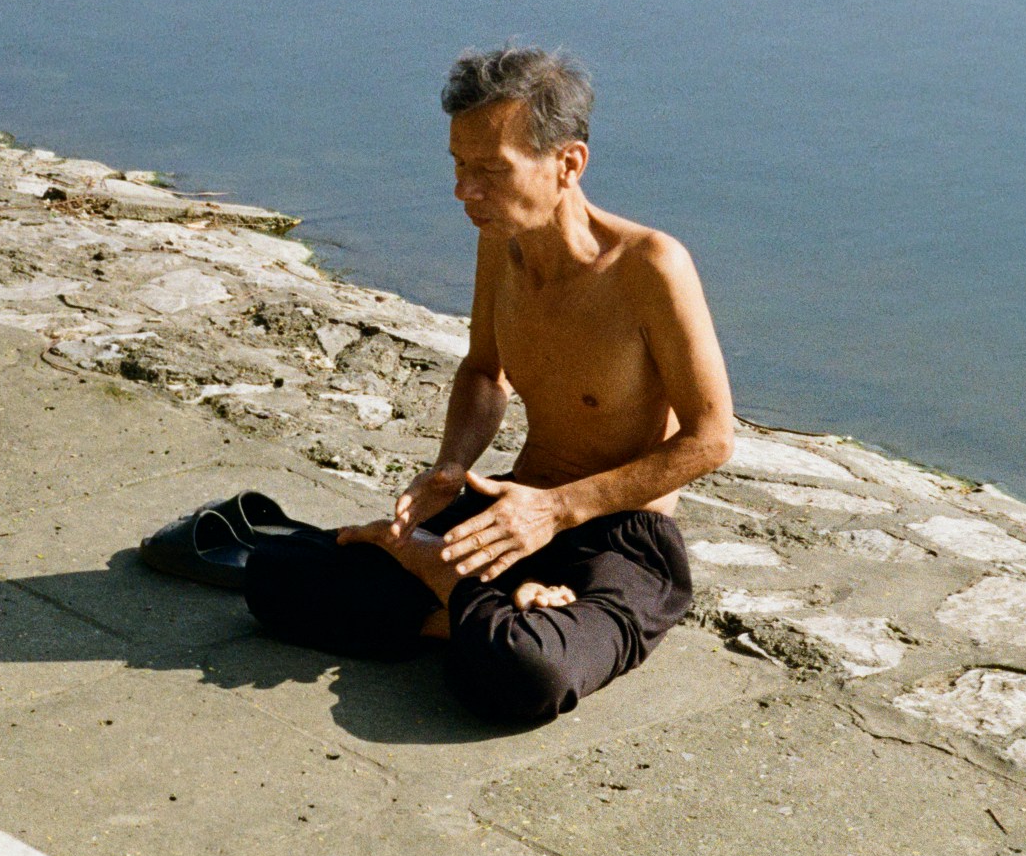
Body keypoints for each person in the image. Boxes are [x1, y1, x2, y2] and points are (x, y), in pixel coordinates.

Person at [244, 46, 734, 724]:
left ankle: (453, 589)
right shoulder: (499, 240)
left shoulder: (650, 267)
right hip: (507, 512)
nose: (463, 192)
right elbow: (484, 370)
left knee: (530, 670)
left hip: (620, 535)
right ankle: (480, 604)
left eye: (490, 171)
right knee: (276, 574)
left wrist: (556, 511)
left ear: (568, 164)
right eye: (458, 165)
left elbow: (712, 439)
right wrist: (451, 467)